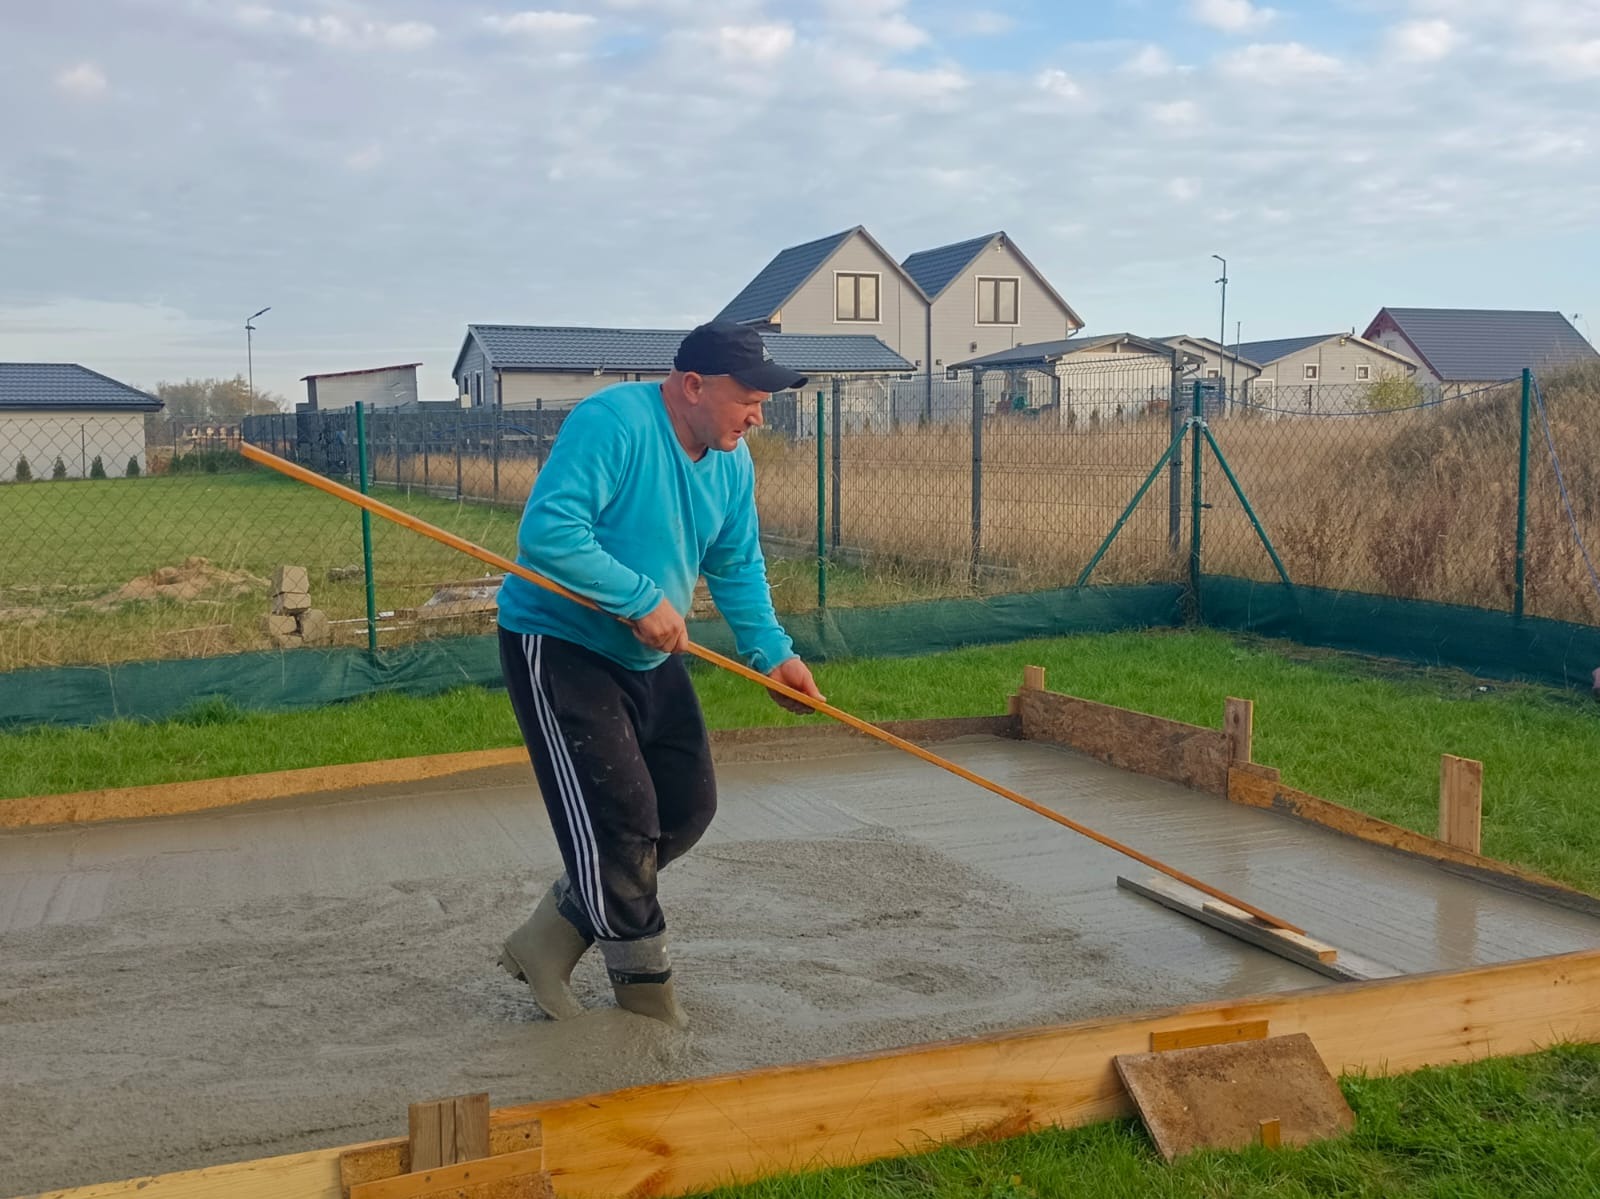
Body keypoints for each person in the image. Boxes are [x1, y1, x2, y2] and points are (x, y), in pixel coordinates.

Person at [495, 320, 825, 1028]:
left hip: (652, 650)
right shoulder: (612, 423)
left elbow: (737, 566)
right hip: (561, 642)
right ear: (694, 385)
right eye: (750, 396)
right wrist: (640, 598)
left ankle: (547, 937)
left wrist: (773, 654)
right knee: (621, 822)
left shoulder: (734, 464)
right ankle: (648, 1006)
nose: (760, 413)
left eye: (765, 399)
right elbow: (549, 533)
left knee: (685, 807)